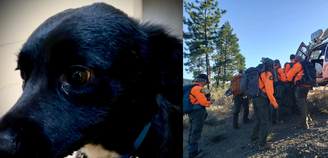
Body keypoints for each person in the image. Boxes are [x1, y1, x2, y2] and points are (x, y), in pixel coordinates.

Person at [249, 58, 278, 150]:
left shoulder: (259, 73)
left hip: (255, 99)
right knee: (264, 121)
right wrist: (275, 103)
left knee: (258, 119)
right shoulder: (268, 74)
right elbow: (269, 91)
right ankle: (262, 144)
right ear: (271, 66)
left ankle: (253, 137)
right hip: (262, 100)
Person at [188, 74, 214, 158]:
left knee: (192, 130)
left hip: (192, 111)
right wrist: (210, 102)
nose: (206, 84)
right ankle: (193, 153)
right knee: (196, 131)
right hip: (198, 112)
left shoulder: (192, 87)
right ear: (202, 80)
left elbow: (196, 100)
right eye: (206, 82)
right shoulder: (199, 89)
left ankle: (191, 149)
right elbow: (203, 103)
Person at [286, 56, 312, 129]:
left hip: (300, 86)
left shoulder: (297, 65)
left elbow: (289, 76)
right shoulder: (306, 64)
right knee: (304, 102)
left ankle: (304, 123)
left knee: (301, 104)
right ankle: (309, 119)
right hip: (307, 86)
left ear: (296, 60)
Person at [271, 59, 286, 125]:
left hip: (271, 88)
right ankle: (279, 120)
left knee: (272, 103)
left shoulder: (270, 71)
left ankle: (272, 120)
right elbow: (284, 79)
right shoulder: (280, 70)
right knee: (278, 103)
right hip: (278, 88)